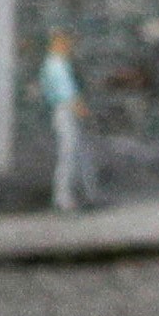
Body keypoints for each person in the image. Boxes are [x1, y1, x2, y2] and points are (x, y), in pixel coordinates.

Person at [39, 30, 96, 216]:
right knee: (70, 153)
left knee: (80, 153)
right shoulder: (56, 65)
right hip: (66, 111)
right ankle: (64, 197)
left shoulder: (57, 63)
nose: (69, 46)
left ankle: (87, 194)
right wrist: (82, 110)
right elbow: (67, 93)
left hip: (67, 110)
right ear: (56, 44)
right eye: (65, 43)